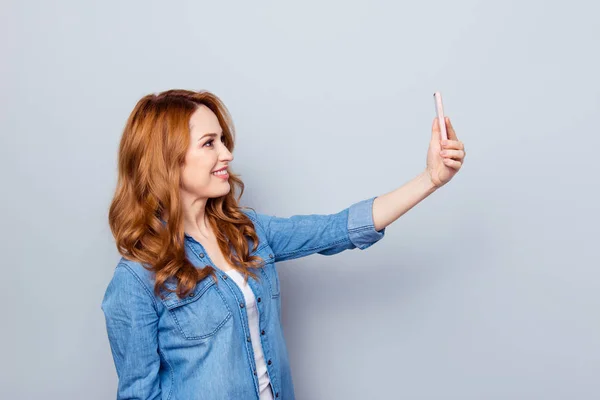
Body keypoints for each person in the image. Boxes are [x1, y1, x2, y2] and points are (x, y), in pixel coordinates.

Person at [101, 89, 466, 400]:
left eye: (223, 141)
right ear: (167, 159)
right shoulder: (135, 279)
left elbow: (337, 229)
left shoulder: (249, 232)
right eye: (210, 143)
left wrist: (430, 179)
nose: (226, 154)